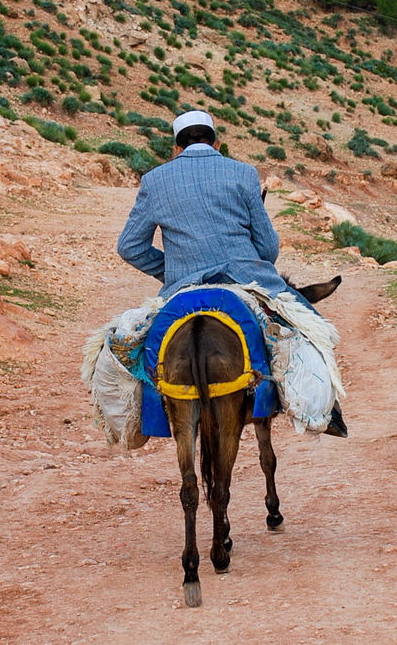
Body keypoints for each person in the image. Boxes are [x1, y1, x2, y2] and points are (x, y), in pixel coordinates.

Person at [117, 109, 347, 436]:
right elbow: (267, 246)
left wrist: (172, 272)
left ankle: (139, 422)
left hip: (183, 284)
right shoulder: (243, 173)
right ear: (218, 143)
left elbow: (130, 246)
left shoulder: (155, 180)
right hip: (247, 277)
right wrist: (254, 263)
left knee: (133, 344)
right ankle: (327, 415)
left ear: (176, 149)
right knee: (310, 327)